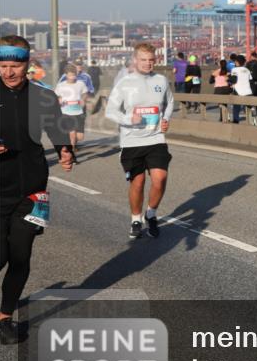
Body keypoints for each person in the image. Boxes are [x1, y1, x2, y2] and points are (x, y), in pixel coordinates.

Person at [0, 35, 74, 345]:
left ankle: (4, 317)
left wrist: (65, 150)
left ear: (27, 64)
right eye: (2, 65)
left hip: (33, 191)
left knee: (21, 256)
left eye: (15, 66)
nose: (8, 72)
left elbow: (56, 128)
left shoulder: (44, 96)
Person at [105, 43, 174, 239]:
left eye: (151, 60)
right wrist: (129, 119)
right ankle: (136, 219)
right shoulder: (125, 83)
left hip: (156, 138)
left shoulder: (161, 80)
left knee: (160, 179)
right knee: (138, 182)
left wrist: (166, 119)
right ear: (135, 60)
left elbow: (170, 102)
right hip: (131, 142)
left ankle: (151, 214)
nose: (147, 63)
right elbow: (110, 111)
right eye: (143, 60)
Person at [54, 64, 89, 156]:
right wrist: (59, 100)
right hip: (66, 112)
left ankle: (73, 144)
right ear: (66, 75)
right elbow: (56, 96)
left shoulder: (81, 84)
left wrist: (83, 100)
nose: (72, 77)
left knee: (80, 137)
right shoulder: (61, 85)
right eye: (70, 75)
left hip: (79, 111)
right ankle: (72, 153)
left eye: (74, 75)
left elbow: (85, 93)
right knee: (72, 133)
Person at [229, 55, 254, 124]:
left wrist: (228, 78)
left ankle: (236, 122)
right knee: (249, 108)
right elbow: (251, 80)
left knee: (236, 108)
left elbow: (234, 80)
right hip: (248, 91)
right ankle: (252, 122)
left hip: (238, 91)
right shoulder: (247, 70)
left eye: (235, 61)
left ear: (237, 62)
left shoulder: (234, 69)